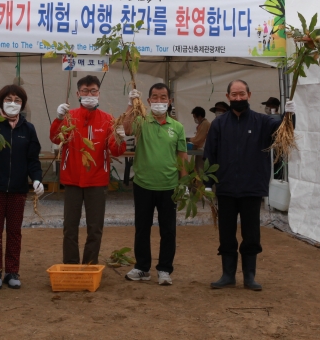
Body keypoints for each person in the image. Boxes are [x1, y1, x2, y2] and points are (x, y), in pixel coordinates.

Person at [203, 79, 295, 291]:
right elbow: (210, 155)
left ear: (249, 95)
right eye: (234, 95)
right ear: (227, 97)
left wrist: (290, 115)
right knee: (226, 233)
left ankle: (249, 276)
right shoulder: (219, 124)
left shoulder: (263, 122)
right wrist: (208, 184)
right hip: (225, 188)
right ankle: (227, 275)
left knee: (251, 233)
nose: (238, 98)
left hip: (252, 188)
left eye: (241, 94)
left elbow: (284, 128)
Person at [50, 75, 126, 265]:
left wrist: (120, 138)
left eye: (93, 91)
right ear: (78, 93)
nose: (89, 94)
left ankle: (90, 265)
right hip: (73, 179)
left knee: (95, 228)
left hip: (97, 180)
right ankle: (70, 264)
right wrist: (59, 118)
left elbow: (116, 150)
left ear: (99, 94)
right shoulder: (69, 117)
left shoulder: (108, 120)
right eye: (85, 91)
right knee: (70, 227)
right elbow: (56, 139)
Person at [0, 84, 43, 290]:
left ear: (22, 105)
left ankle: (12, 271)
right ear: (1, 101)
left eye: (17, 100)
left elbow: (33, 159)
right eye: (9, 99)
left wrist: (37, 178)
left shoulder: (28, 129)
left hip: (18, 190)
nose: (13, 103)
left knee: (14, 231)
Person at [120, 83, 187, 286]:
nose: (159, 101)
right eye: (155, 97)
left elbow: (182, 155)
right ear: (148, 101)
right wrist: (131, 104)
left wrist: (184, 183)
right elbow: (126, 128)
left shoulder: (177, 127)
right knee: (142, 228)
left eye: (163, 97)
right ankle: (142, 267)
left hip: (169, 186)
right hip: (143, 185)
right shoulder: (142, 121)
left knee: (168, 230)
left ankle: (165, 270)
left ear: (170, 101)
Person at [190, 106, 211, 173]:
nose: (195, 119)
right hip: (201, 150)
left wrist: (190, 140)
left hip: (203, 151)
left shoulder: (205, 124)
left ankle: (200, 183)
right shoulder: (203, 123)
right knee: (198, 169)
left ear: (199, 116)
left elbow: (199, 139)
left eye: (195, 117)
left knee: (200, 170)